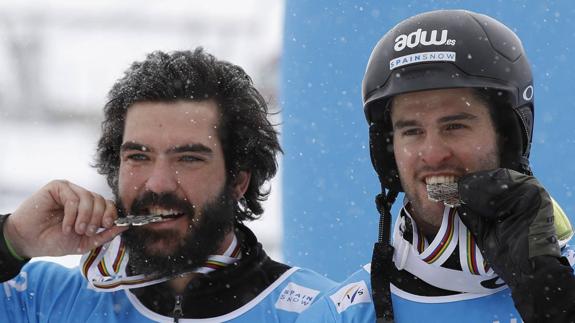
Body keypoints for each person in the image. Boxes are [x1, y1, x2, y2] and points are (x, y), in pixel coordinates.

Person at [0, 48, 336, 322]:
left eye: (188, 158)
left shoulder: (321, 312)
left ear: (238, 179)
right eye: (138, 157)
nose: (157, 183)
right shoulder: (43, 301)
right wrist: (11, 239)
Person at [296, 9, 575, 323]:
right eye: (412, 131)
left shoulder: (565, 288)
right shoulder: (339, 315)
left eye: (454, 126)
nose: (432, 154)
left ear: (507, 138)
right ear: (388, 153)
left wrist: (553, 302)